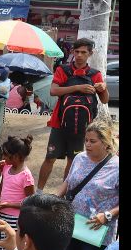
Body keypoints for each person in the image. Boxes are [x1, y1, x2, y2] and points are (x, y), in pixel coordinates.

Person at [37, 38, 110, 190]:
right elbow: (53, 91)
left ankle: (63, 195)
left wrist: (103, 88)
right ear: (72, 52)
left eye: (83, 52)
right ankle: (38, 192)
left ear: (90, 53)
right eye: (76, 52)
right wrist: (78, 87)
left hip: (82, 126)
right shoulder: (63, 70)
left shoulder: (95, 74)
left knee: (72, 161)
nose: (79, 55)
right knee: (50, 158)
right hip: (59, 123)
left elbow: (104, 100)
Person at [54, 120, 119, 250]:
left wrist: (107, 215)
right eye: (86, 140)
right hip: (72, 224)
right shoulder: (80, 158)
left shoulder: (116, 167)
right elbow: (68, 182)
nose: (87, 144)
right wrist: (56, 198)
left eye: (93, 141)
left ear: (105, 143)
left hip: (96, 231)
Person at [0, 135, 36, 250]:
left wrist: (8, 204)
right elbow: (1, 188)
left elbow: (30, 202)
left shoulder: (26, 176)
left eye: (6, 155)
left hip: (14, 220)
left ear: (16, 157)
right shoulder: (6, 168)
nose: (3, 157)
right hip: (1, 215)